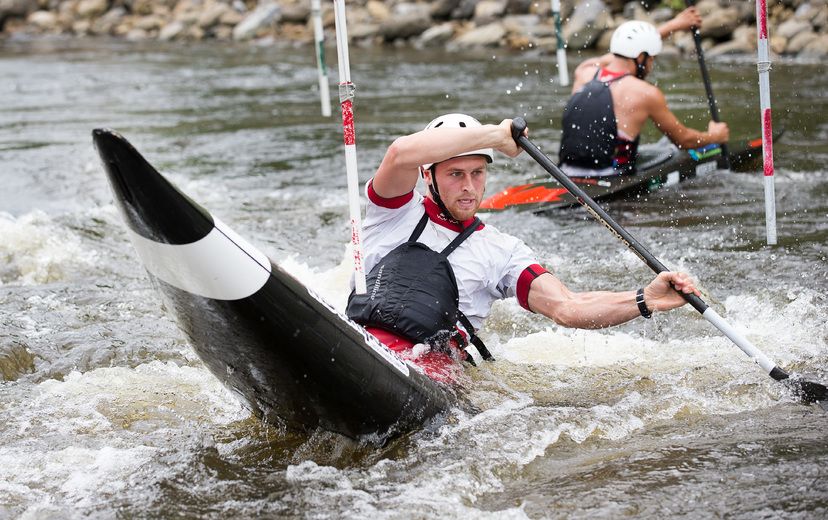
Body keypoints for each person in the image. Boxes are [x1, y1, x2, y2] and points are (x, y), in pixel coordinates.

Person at [346, 113, 701, 383]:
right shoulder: (393, 211)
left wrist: (644, 299)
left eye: (477, 173)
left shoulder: (502, 251)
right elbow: (400, 153)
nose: (469, 186)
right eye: (455, 174)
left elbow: (568, 307)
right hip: (361, 343)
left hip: (431, 372)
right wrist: (496, 136)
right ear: (428, 175)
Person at [559, 7, 730, 177]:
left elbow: (618, 55)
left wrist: (674, 25)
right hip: (611, 177)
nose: (651, 65)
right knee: (668, 146)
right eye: (651, 59)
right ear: (641, 57)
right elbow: (684, 140)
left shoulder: (584, 72)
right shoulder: (645, 93)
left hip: (565, 174)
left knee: (661, 145)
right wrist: (714, 136)